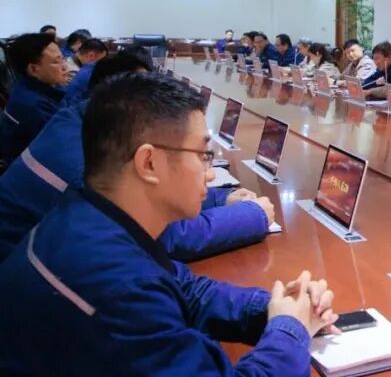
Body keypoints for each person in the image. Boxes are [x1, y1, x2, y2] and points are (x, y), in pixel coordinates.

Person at [0, 72, 339, 377]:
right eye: (203, 155)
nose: (210, 173)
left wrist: (274, 308)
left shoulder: (87, 215)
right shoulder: (111, 285)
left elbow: (185, 289)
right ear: (149, 162)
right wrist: (290, 331)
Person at [0, 51, 274, 262]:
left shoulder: (81, 121)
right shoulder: (83, 162)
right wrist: (253, 217)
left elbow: (151, 196)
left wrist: (220, 198)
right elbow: (160, 237)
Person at [0, 33, 68, 164]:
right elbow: (62, 146)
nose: (64, 66)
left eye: (63, 58)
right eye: (56, 62)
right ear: (33, 69)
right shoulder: (34, 106)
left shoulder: (41, 86)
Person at [59, 38, 108, 106]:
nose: (101, 65)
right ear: (91, 55)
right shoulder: (72, 72)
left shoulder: (68, 60)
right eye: (100, 61)